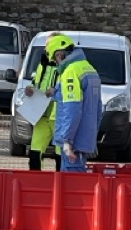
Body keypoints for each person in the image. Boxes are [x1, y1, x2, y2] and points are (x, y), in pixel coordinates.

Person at [49, 34, 103, 172]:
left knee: (72, 183)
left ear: (59, 56)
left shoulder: (70, 72)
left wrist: (67, 140)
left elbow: (71, 108)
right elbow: (97, 109)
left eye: (55, 60)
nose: (56, 64)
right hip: (84, 137)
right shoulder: (89, 68)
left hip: (74, 141)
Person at [23, 42, 60, 171]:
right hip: (41, 114)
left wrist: (56, 90)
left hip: (58, 115)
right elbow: (36, 82)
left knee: (61, 154)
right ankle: (36, 183)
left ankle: (61, 185)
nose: (45, 48)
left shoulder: (66, 65)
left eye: (48, 44)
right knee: (35, 151)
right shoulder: (42, 63)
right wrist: (30, 89)